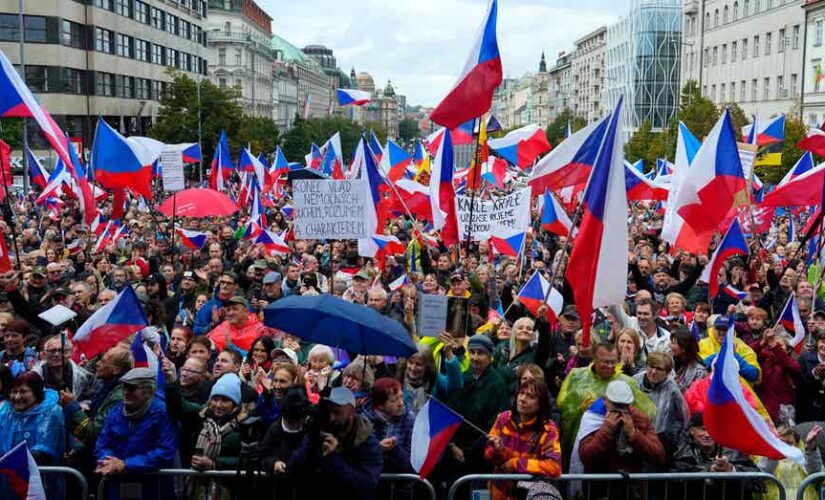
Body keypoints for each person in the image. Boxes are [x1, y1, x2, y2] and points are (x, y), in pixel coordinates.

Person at [94, 352, 178, 499]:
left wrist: (126, 464)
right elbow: (102, 443)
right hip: (119, 484)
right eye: (124, 387)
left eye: (132, 388)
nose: (126, 393)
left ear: (149, 392)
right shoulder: (116, 412)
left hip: (153, 487)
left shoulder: (162, 413)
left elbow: (165, 451)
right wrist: (109, 461)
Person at [557, 341, 656, 465]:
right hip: (575, 437)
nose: (609, 366)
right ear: (595, 359)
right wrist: (582, 409)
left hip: (613, 450)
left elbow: (645, 413)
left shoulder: (626, 382)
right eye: (605, 362)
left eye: (613, 362)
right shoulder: (576, 376)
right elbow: (562, 405)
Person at [287, 387, 383, 499]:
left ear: (351, 411)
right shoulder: (320, 432)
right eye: (329, 412)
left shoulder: (368, 443)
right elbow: (291, 471)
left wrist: (333, 458)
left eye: (337, 412)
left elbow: (366, 485)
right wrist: (311, 442)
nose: (332, 418)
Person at [484, 379, 562, 500]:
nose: (522, 399)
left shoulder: (549, 430)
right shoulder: (503, 418)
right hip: (499, 492)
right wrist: (498, 451)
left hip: (528, 494)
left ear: (540, 404)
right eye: (521, 393)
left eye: (530, 396)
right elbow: (488, 455)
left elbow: (554, 467)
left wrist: (516, 464)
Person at [444, 334, 510, 477]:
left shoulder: (497, 384)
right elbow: (451, 411)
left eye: (480, 353)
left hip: (481, 458)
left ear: (489, 355)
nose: (475, 357)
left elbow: (495, 425)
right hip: (455, 454)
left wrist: (468, 452)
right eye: (472, 352)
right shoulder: (462, 378)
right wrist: (452, 445)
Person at [0, 371, 65, 464]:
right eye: (14, 392)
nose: (17, 397)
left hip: (41, 475)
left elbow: (45, 449)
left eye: (23, 391)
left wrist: (13, 463)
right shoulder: (5, 412)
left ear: (36, 392)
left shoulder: (51, 412)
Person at [634, 352, 689, 456]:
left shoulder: (673, 389)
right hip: (636, 435)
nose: (653, 372)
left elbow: (684, 417)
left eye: (659, 369)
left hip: (662, 439)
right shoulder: (635, 381)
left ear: (667, 372)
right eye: (651, 367)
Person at [258, 387, 310, 497]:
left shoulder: (309, 431)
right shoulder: (275, 429)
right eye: (290, 421)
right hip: (278, 487)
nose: (294, 424)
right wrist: (273, 463)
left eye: (297, 420)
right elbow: (263, 455)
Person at [361, 378, 415, 473]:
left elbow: (411, 463)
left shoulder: (409, 418)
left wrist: (394, 449)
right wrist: (377, 448)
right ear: (380, 405)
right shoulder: (364, 420)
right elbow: (359, 460)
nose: (401, 404)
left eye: (401, 397)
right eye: (394, 400)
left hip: (399, 481)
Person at [401, 341, 463, 414]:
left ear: (427, 366)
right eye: (410, 362)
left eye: (418, 364)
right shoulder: (400, 378)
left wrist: (449, 355)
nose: (413, 368)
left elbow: (455, 385)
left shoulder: (435, 380)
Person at [699, 316, 761, 385]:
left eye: (725, 330)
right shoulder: (702, 344)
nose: (722, 332)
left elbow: (754, 376)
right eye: (719, 329)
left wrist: (734, 356)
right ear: (713, 329)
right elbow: (698, 369)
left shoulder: (741, 346)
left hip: (737, 390)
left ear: (732, 331)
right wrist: (719, 355)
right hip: (708, 388)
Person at [670, 326, 708, 393]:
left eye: (674, 343)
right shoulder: (669, 361)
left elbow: (698, 395)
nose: (670, 345)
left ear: (684, 348)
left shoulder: (699, 372)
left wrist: (679, 386)